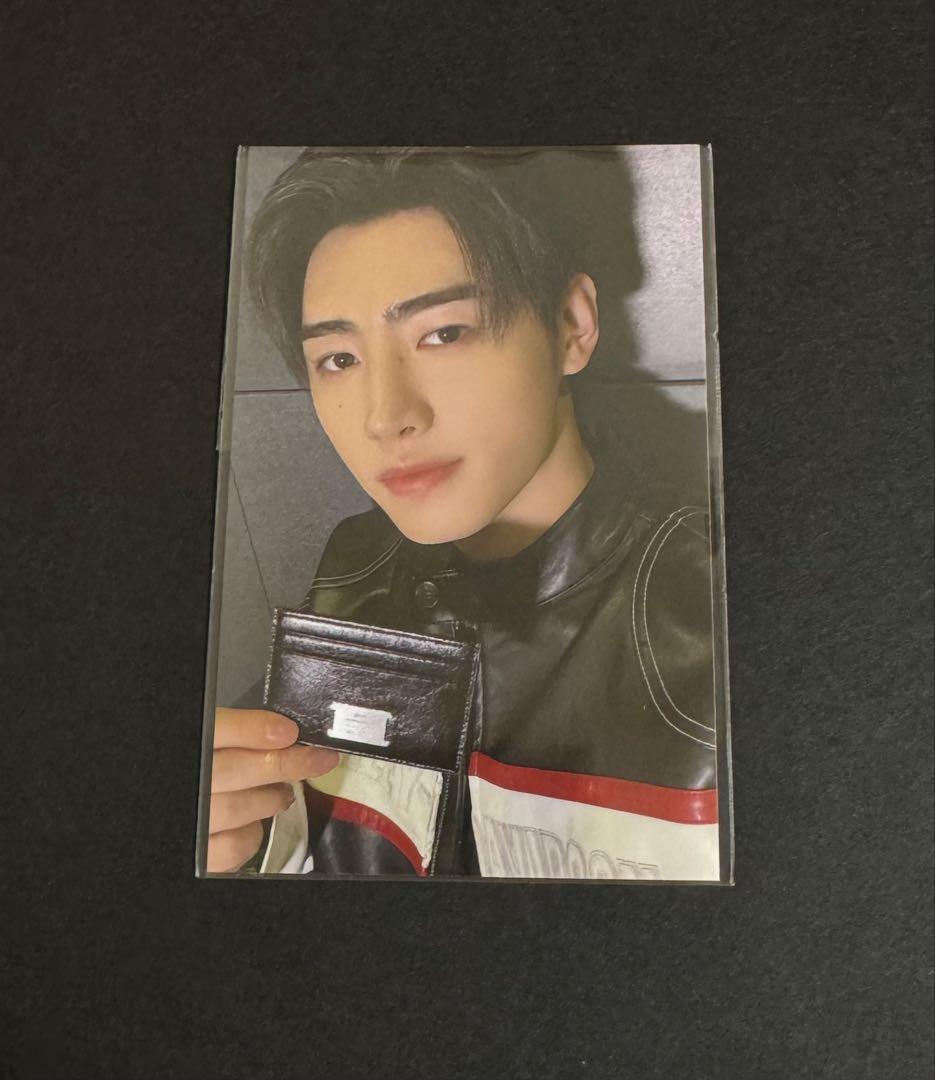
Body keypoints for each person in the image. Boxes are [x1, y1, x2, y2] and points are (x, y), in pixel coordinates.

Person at [206, 148, 721, 880]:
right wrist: (245, 841)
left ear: (570, 325)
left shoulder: (709, 619)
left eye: (443, 333)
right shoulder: (356, 566)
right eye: (339, 359)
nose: (385, 417)